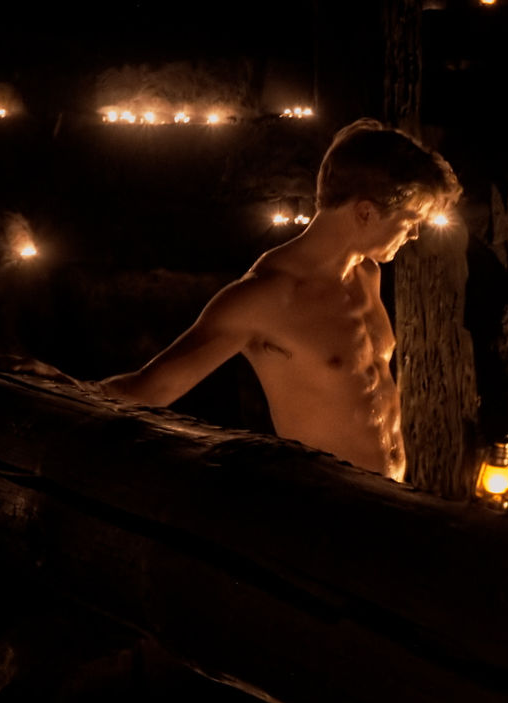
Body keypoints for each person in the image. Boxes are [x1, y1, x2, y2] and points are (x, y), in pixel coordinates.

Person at [96, 118, 460, 482]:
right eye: (410, 219)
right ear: (365, 212)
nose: (414, 234)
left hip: (397, 498)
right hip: (331, 509)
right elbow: (152, 388)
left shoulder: (367, 275)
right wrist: (62, 389)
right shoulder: (264, 297)